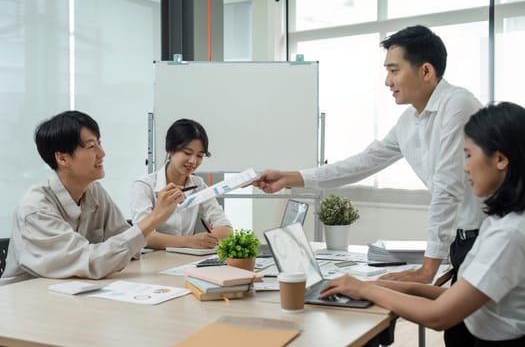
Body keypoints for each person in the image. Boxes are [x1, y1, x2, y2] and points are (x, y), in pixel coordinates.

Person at [252, 25, 485, 284]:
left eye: (394, 71)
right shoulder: (409, 121)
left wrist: (427, 269)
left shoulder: (457, 104)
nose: (388, 82)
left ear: (426, 71)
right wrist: (289, 177)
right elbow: (362, 163)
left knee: (467, 321)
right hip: (462, 240)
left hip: (485, 237)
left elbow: (447, 186)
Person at [320, 102, 525, 346]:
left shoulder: (509, 235)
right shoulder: (502, 219)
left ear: (500, 159)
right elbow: (459, 297)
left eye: (469, 155)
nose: (465, 167)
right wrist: (394, 287)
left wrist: (366, 290)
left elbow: (439, 316)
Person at [0, 111, 183, 285]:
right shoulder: (35, 209)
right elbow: (90, 262)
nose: (102, 153)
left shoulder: (94, 191)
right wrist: (154, 218)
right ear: (63, 159)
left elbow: (129, 248)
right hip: (27, 301)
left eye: (99, 143)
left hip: (73, 293)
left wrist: (117, 249)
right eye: (91, 146)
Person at [130, 118, 232, 250]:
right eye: (187, 153)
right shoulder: (144, 186)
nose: (193, 161)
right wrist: (189, 241)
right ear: (171, 150)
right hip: (152, 261)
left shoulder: (198, 184)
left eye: (200, 156)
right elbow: (144, 236)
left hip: (185, 261)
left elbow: (225, 228)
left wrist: (205, 241)